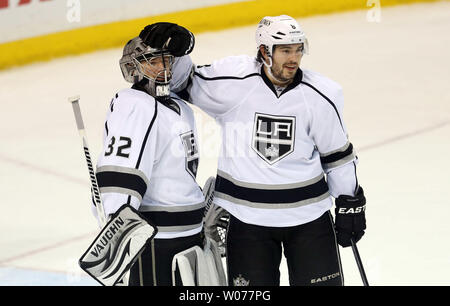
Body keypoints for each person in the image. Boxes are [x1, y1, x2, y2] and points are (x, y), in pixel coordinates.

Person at [140, 15, 367, 286]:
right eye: (285, 51)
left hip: (309, 219)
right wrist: (179, 49)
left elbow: (337, 157)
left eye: (297, 50)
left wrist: (349, 203)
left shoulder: (321, 94)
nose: (293, 58)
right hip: (248, 222)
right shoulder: (235, 81)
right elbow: (183, 82)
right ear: (264, 52)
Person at [93, 26, 206, 286]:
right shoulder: (135, 104)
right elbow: (120, 174)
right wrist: (117, 240)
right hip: (156, 242)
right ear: (133, 68)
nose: (163, 68)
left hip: (189, 236)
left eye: (167, 60)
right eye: (153, 62)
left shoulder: (179, 107)